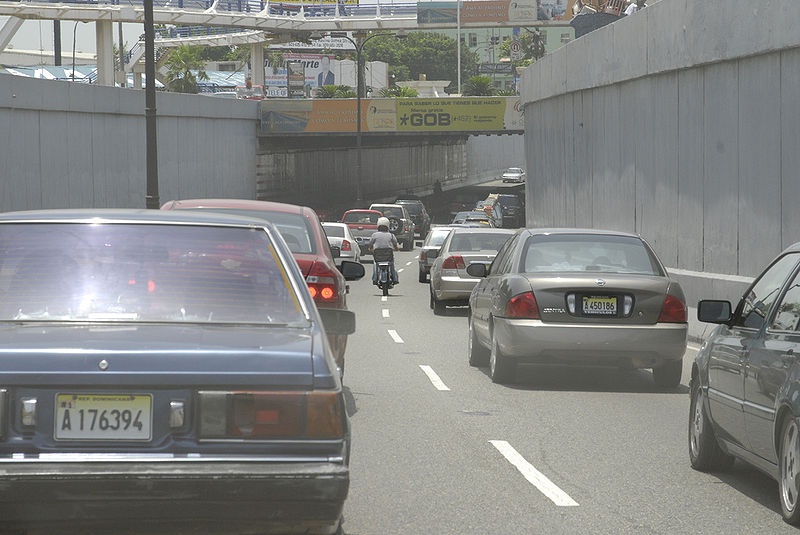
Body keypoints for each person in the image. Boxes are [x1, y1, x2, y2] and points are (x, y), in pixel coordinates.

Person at [366, 217, 399, 286]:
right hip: (388, 256)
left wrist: (370, 248)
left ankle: (375, 279)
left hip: (377, 256)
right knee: (392, 265)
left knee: (375, 264)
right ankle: (395, 279)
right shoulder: (391, 235)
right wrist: (396, 248)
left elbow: (370, 243)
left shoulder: (374, 235)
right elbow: (395, 244)